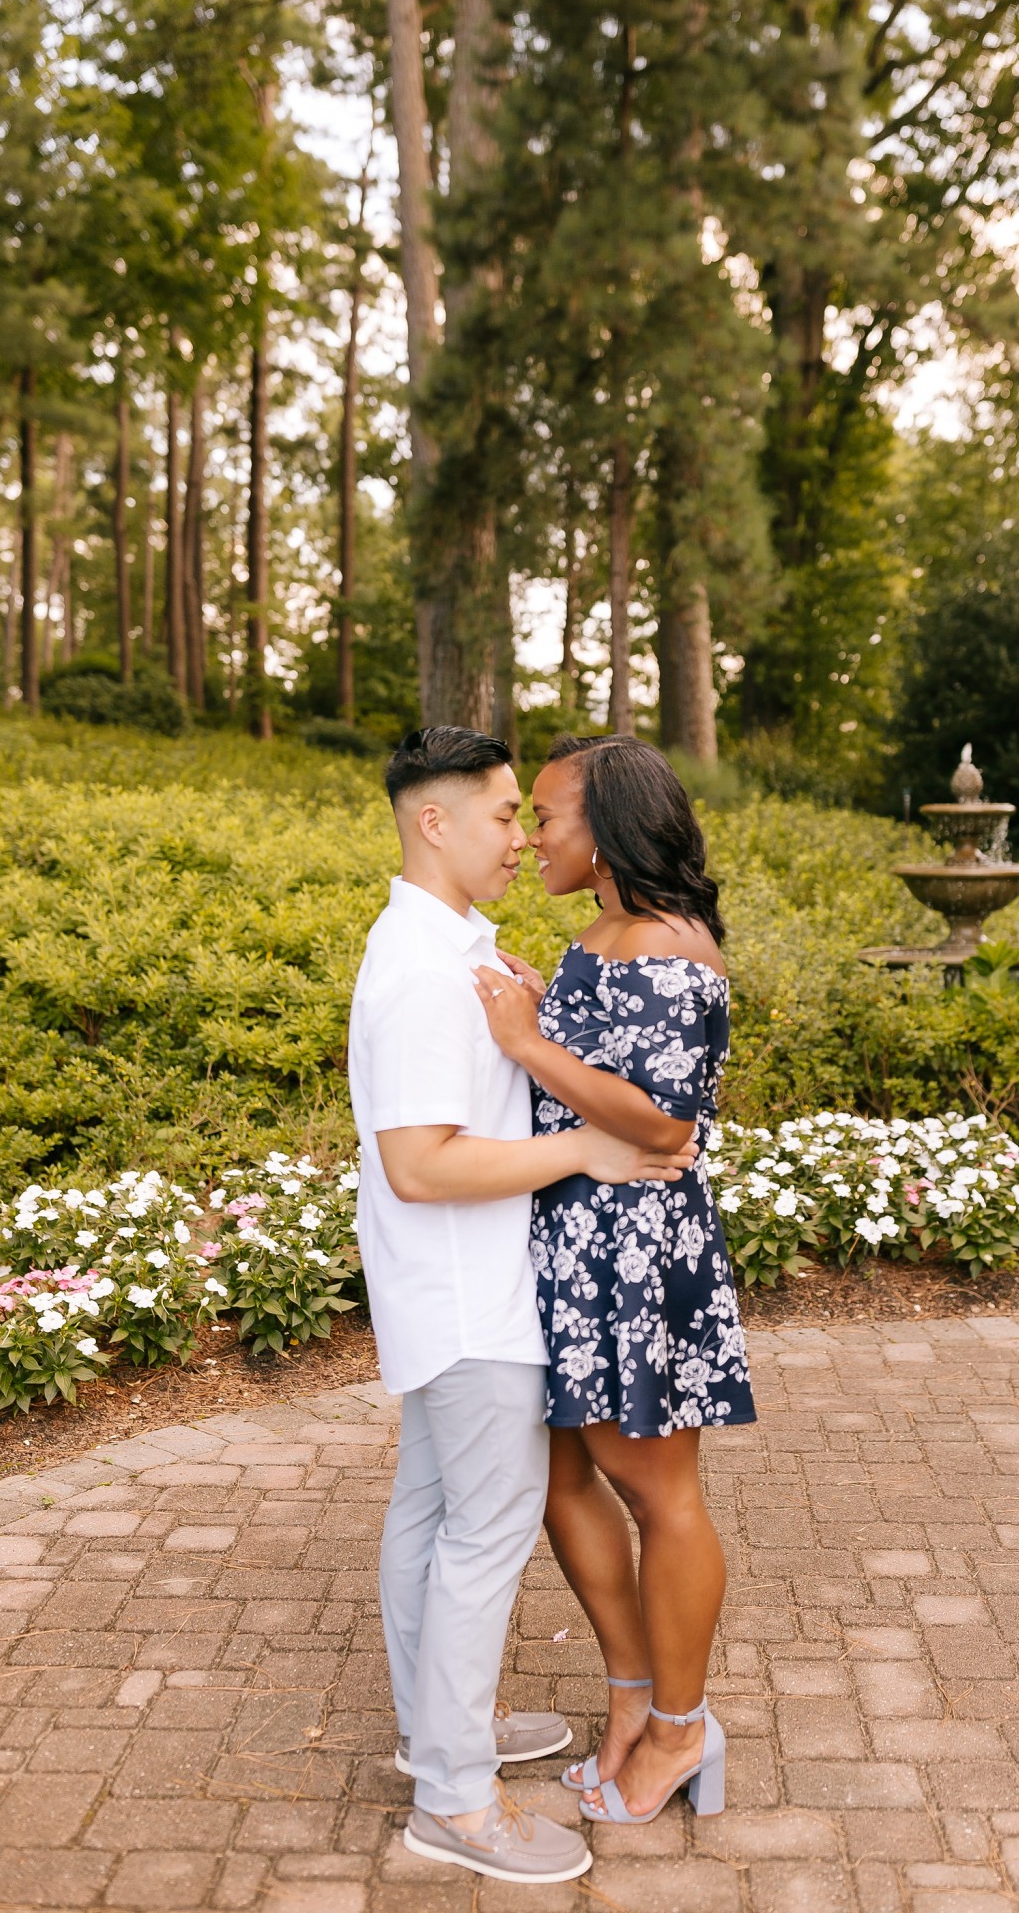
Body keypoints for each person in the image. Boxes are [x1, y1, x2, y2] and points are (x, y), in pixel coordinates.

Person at [346, 725, 697, 1886]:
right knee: (482, 1536)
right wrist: (587, 1152)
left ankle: (434, 1733)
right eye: (504, 813)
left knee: (432, 1517)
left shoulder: (457, 948)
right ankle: (454, 1797)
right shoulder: (416, 967)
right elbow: (423, 1163)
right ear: (433, 823)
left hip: (462, 1289)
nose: (523, 834)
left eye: (530, 814)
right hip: (470, 1297)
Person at [475, 733, 756, 1828]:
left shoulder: (672, 944)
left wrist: (524, 1042)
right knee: (561, 1478)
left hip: (634, 1245)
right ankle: (634, 1697)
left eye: (545, 815)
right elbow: (609, 1077)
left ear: (607, 829)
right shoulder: (606, 932)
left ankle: (682, 1728)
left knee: (656, 1489)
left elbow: (663, 1120)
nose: (531, 834)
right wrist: (549, 1020)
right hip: (571, 1232)